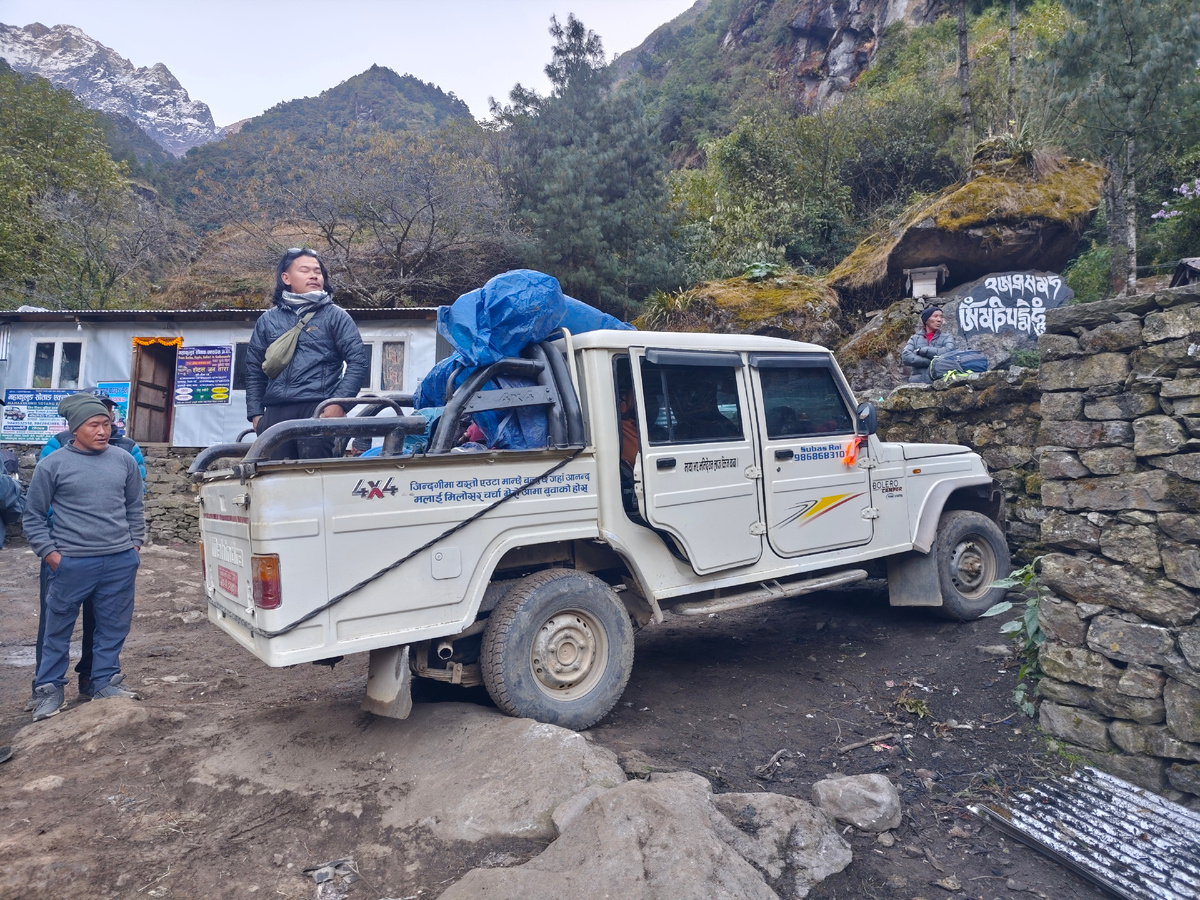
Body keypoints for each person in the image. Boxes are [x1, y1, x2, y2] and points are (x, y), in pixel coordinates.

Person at [22, 393, 144, 722]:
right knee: (58, 628)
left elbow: (134, 507)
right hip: (72, 562)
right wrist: (51, 554)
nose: (103, 430)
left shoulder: (124, 461)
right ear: (76, 428)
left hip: (119, 560)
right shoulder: (53, 464)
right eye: (94, 425)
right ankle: (48, 689)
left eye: (107, 423)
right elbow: (32, 515)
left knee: (112, 626)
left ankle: (103, 681)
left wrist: (135, 546)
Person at [244, 248, 369, 460]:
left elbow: (358, 362)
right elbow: (254, 369)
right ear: (286, 278)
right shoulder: (268, 320)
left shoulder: (336, 316)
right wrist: (256, 414)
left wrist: (339, 404)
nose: (314, 275)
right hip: (275, 412)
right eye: (305, 270)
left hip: (318, 408)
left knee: (315, 478)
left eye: (317, 271)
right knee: (276, 480)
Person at [901, 306, 958, 384]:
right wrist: (930, 361)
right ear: (926, 320)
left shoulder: (947, 337)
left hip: (940, 383)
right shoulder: (914, 338)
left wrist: (922, 350)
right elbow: (906, 357)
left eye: (941, 317)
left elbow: (949, 352)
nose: (939, 320)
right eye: (935, 316)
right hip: (917, 384)